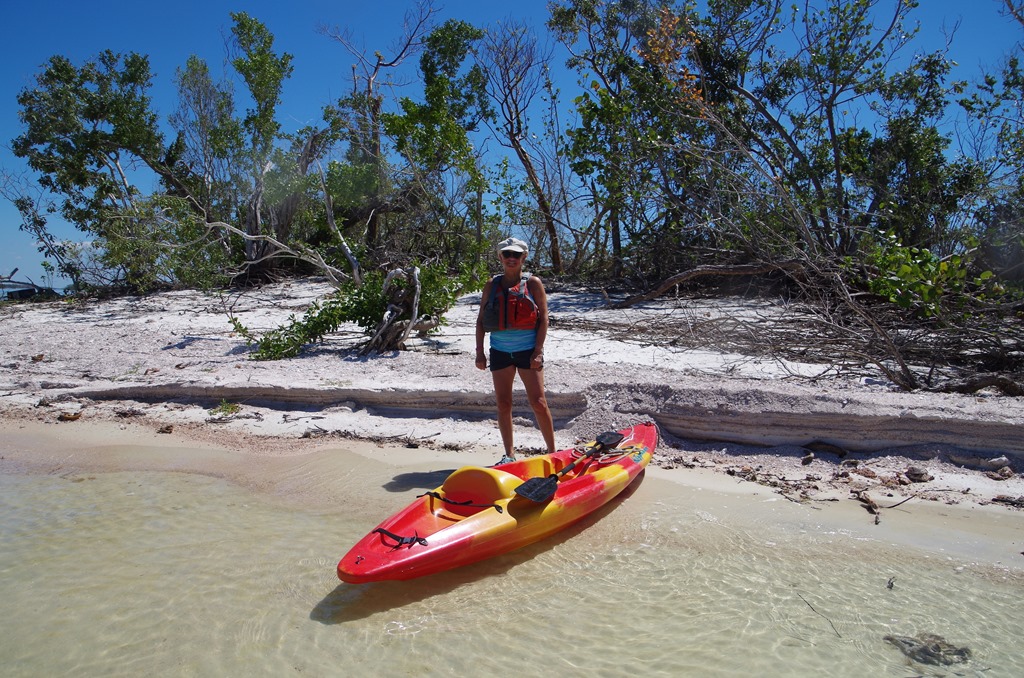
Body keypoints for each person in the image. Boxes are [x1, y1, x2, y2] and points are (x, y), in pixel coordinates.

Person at [475, 237, 556, 464]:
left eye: (516, 255)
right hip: (500, 351)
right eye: (507, 254)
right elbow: (481, 320)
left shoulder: (533, 283)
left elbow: (544, 319)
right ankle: (509, 455)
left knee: (538, 402)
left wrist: (538, 351)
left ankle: (552, 453)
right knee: (503, 404)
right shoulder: (492, 285)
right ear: (500, 257)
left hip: (527, 351)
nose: (511, 258)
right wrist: (479, 352)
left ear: (524, 257)